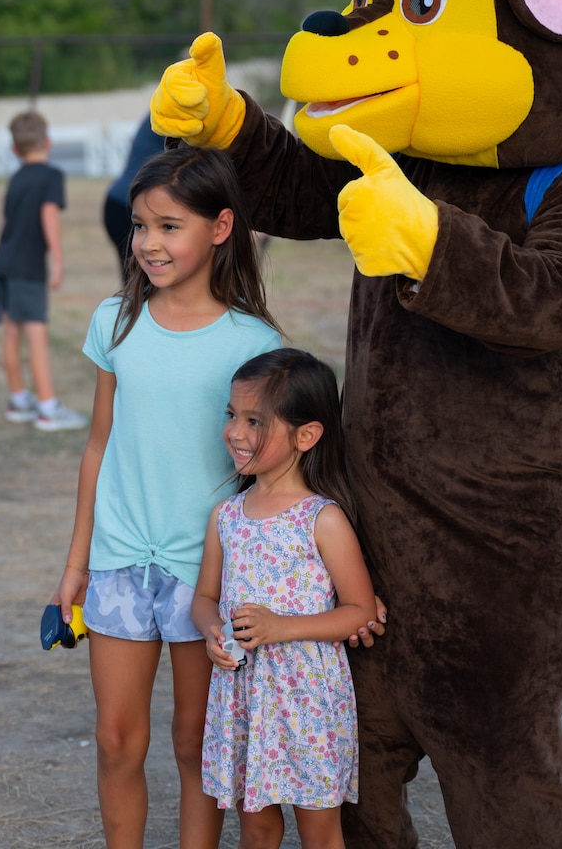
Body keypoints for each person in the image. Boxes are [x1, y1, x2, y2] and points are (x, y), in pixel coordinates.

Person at [51, 143, 283, 849]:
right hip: (120, 563)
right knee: (115, 739)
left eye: (168, 226)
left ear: (219, 228)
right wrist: (76, 562)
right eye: (139, 226)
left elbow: (264, 474)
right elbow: (98, 444)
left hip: (205, 577)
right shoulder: (114, 321)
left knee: (193, 744)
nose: (148, 243)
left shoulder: (253, 342)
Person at [192, 347, 378, 849]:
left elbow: (359, 612)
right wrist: (213, 631)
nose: (234, 431)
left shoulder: (323, 518)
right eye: (232, 415)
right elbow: (205, 598)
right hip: (244, 694)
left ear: (307, 435)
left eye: (255, 421)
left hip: (307, 701)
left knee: (319, 828)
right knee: (256, 825)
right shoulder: (226, 516)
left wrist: (284, 627)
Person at [0, 109, 88, 431]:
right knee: (36, 337)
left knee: (11, 331)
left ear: (14, 151)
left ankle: (19, 400)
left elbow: (7, 223)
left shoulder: (16, 177)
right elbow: (49, 216)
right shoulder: (51, 175)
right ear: (48, 142)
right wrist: (57, 260)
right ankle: (48, 409)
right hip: (27, 267)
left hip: (2, 264)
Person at [103, 114, 165, 279]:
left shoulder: (160, 110)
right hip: (133, 206)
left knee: (137, 284)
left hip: (118, 200)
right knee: (143, 284)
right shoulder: (173, 113)